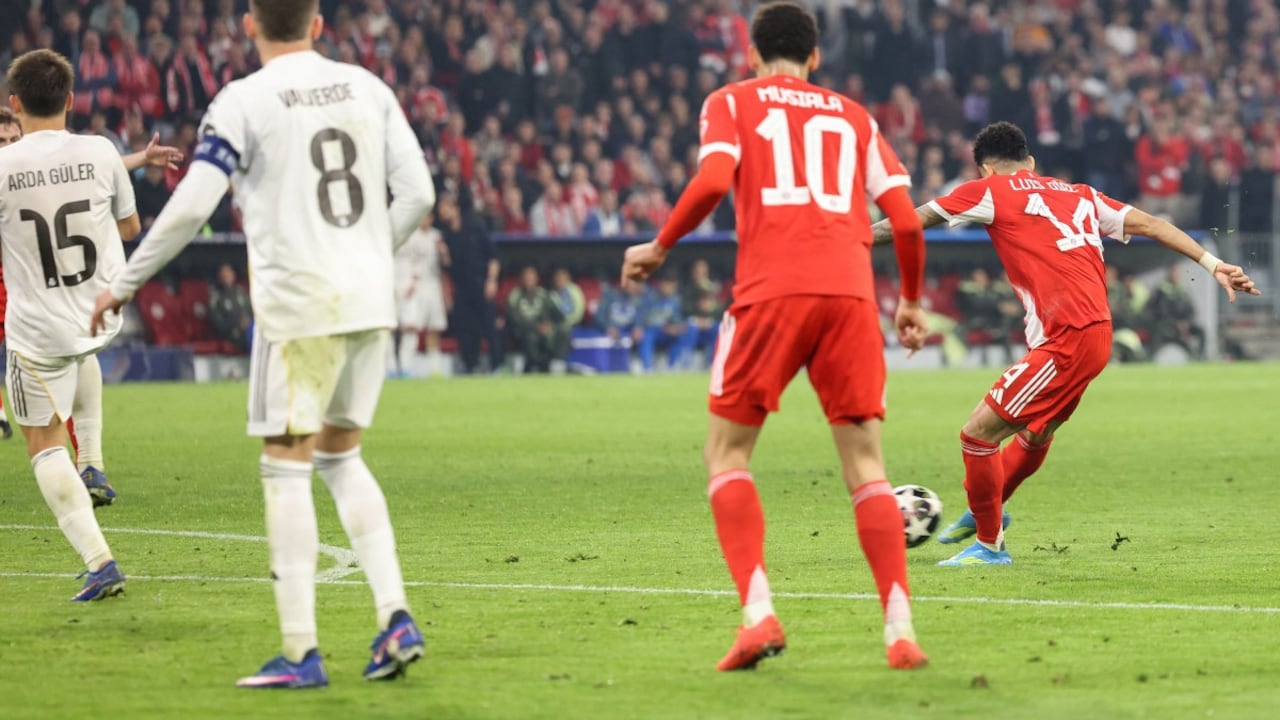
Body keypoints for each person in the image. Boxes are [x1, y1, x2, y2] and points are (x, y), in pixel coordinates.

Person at [91, 0, 435, 688]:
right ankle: (395, 616)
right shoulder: (368, 86)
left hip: (299, 304)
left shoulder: (243, 100)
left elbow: (193, 205)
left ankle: (302, 653)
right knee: (341, 457)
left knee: (285, 465)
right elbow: (419, 194)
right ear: (318, 25)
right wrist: (371, 254)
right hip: (368, 299)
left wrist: (124, 283)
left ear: (248, 26)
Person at [621, 2, 929, 671]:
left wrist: (661, 245)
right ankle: (900, 631)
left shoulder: (731, 101)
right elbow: (906, 222)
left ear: (752, 54)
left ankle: (759, 615)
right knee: (867, 466)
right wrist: (907, 301)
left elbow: (712, 180)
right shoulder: (855, 117)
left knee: (727, 453)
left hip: (771, 293)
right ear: (815, 57)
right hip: (850, 297)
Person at [872, 121, 1257, 566]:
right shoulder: (1081, 194)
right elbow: (1152, 224)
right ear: (1030, 161)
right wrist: (1213, 264)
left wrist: (847, 237)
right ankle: (987, 510)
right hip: (1097, 333)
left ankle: (990, 544)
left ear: (984, 169)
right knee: (1036, 432)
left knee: (977, 435)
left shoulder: (988, 190)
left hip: (1067, 338)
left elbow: (908, 221)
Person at [0, 49, 141, 600]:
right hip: (99, 312)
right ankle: (95, 463)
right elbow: (129, 227)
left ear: (15, 104)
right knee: (83, 354)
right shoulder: (101, 151)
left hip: (38, 331)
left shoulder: (3, 166)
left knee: (42, 444)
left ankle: (100, 561)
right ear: (71, 100)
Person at [0, 102, 181, 491]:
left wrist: (141, 158)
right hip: (36, 275)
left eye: (14, 139)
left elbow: (89, 168)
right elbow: (92, 168)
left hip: (29, 279)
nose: (10, 146)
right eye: (2, 142)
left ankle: (84, 465)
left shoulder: (20, 171)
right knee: (71, 351)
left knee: (67, 356)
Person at [438, 192, 502, 374]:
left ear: (455, 208)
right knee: (465, 328)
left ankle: (496, 366)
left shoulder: (475, 227)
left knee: (489, 327)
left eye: (445, 207)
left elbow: (493, 256)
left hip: (481, 283)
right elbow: (447, 268)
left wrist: (491, 280)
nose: (442, 211)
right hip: (461, 287)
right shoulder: (446, 235)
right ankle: (470, 366)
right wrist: (444, 255)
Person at [393, 211, 449, 377]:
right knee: (412, 327)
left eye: (428, 216)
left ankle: (435, 369)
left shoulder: (436, 236)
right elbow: (406, 264)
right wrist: (409, 283)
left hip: (434, 285)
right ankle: (406, 367)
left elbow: (445, 265)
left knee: (435, 327)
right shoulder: (411, 237)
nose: (425, 220)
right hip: (416, 287)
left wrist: (443, 252)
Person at [505, 266, 565, 374]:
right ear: (521, 279)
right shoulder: (515, 295)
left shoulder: (544, 295)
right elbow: (514, 319)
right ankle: (535, 366)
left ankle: (556, 363)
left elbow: (559, 315)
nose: (529, 280)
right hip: (524, 331)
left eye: (531, 278)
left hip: (545, 330)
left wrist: (550, 325)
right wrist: (536, 326)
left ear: (536, 279)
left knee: (563, 331)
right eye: (526, 278)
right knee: (531, 336)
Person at [637, 273, 692, 372]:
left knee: (683, 334)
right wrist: (664, 327)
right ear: (662, 284)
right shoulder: (649, 296)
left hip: (666, 333)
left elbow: (677, 318)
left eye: (674, 287)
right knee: (645, 335)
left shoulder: (675, 300)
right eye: (669, 286)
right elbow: (643, 318)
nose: (671, 289)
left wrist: (678, 327)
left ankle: (673, 366)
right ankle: (647, 367)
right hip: (652, 331)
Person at [1147, 266, 1205, 358]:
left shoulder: (1183, 289)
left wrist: (1187, 323)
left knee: (1201, 331)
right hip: (1168, 323)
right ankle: (1153, 356)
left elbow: (1191, 310)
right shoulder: (1161, 290)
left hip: (1185, 324)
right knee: (1159, 331)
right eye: (1173, 273)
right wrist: (1176, 323)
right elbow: (1161, 311)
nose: (1175, 275)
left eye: (1177, 273)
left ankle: (1199, 357)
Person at [208, 263, 252, 352]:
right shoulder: (216, 298)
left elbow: (251, 311)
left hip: (249, 330)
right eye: (223, 274)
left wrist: (248, 322)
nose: (226, 276)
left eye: (228, 273)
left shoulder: (241, 292)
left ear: (233, 274)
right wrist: (238, 324)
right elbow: (219, 325)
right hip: (232, 335)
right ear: (219, 277)